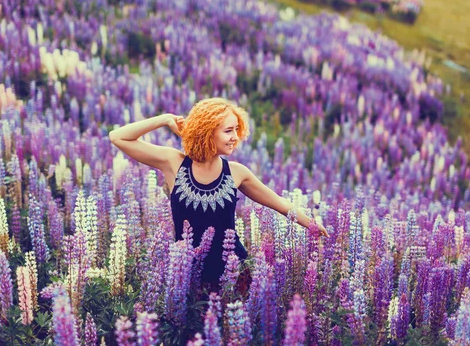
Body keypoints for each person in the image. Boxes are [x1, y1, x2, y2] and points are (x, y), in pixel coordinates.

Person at [109, 98, 329, 293]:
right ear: (207, 131)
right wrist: (165, 119)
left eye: (236, 130)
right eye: (228, 131)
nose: (235, 137)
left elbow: (279, 203)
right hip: (188, 276)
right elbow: (118, 137)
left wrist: (311, 224)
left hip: (234, 275)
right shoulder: (173, 162)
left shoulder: (237, 172)